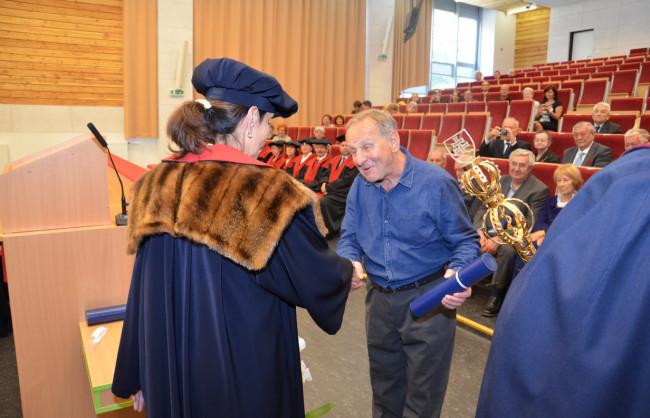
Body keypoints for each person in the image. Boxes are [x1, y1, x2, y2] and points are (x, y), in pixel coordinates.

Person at [111, 57, 353, 418]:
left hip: (170, 367)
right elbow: (311, 275)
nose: (269, 134)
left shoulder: (155, 183)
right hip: (240, 375)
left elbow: (143, 289)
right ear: (251, 119)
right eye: (269, 122)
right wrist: (349, 273)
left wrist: (137, 372)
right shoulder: (264, 192)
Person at [476, 144, 650, 417]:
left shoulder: (619, 180)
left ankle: (498, 293)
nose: (562, 184)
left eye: (567, 180)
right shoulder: (555, 196)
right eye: (560, 180)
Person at [337, 109, 480, 417]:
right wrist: (350, 260)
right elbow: (349, 236)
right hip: (378, 301)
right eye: (353, 151)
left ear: (393, 140)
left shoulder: (437, 183)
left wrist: (459, 275)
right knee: (384, 390)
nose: (359, 159)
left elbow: (466, 241)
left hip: (429, 300)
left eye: (366, 147)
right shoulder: (360, 185)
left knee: (423, 397)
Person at [475, 149, 549, 317]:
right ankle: (463, 280)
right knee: (467, 237)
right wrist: (480, 232)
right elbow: (483, 209)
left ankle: (498, 292)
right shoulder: (500, 181)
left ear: (530, 168)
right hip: (488, 229)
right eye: (514, 164)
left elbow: (529, 223)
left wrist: (499, 238)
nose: (516, 168)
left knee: (508, 250)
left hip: (512, 235)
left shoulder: (539, 189)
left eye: (522, 165)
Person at [319, 138, 359, 239]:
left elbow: (346, 180)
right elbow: (326, 174)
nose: (344, 148)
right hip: (332, 190)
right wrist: (324, 183)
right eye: (342, 145)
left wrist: (328, 188)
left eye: (347, 145)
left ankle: (328, 231)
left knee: (323, 202)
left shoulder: (355, 161)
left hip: (344, 193)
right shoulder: (335, 159)